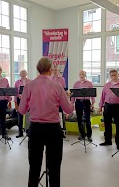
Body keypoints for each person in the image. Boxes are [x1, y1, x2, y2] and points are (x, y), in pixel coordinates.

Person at [18, 57, 74, 187]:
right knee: (54, 166)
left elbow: (21, 110)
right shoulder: (57, 86)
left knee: (34, 166)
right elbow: (69, 109)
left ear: (38, 69)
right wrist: (69, 98)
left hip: (35, 129)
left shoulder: (29, 86)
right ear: (50, 69)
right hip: (53, 130)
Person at [99, 69, 119, 150]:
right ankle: (108, 141)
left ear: (118, 75)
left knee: (118, 125)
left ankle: (118, 144)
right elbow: (102, 97)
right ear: (110, 76)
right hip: (107, 106)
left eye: (115, 75)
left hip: (118, 107)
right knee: (107, 125)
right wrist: (100, 106)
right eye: (112, 75)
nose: (113, 77)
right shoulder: (106, 85)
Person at [71, 70, 95, 142]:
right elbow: (73, 95)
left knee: (87, 119)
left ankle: (89, 135)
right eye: (80, 74)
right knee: (79, 119)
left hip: (86, 102)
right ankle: (82, 134)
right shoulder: (76, 84)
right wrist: (72, 103)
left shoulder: (89, 83)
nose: (81, 75)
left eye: (83, 74)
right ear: (79, 75)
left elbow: (92, 94)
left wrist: (93, 103)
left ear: (85, 75)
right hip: (78, 102)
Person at [14, 69, 31, 138]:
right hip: (19, 100)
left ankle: (28, 131)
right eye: (22, 73)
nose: (23, 74)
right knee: (20, 117)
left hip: (28, 100)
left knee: (28, 116)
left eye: (24, 72)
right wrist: (15, 103)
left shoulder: (30, 81)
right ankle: (20, 132)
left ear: (26, 74)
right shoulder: (17, 82)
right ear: (20, 74)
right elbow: (15, 93)